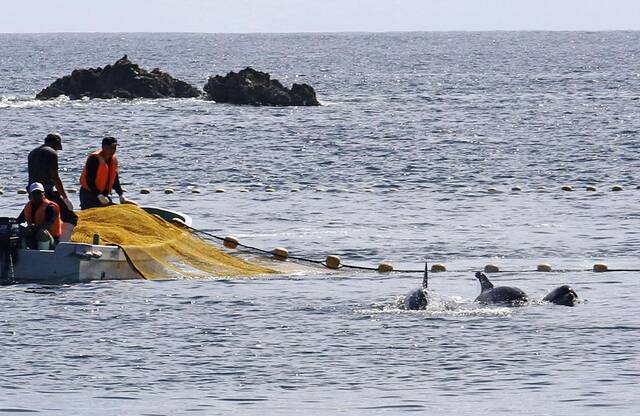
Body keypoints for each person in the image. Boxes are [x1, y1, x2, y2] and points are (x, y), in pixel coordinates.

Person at [27, 133, 78, 241]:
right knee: (71, 218)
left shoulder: (32, 153)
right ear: (56, 143)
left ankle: (43, 241)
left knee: (43, 219)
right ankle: (61, 245)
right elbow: (54, 177)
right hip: (46, 193)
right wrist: (65, 197)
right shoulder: (51, 153)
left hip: (32, 194)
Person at [79, 136, 134, 210]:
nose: (113, 150)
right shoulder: (94, 159)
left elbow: (115, 179)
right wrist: (99, 195)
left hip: (103, 195)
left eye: (115, 147)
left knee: (114, 210)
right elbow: (89, 180)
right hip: (89, 194)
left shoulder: (112, 160)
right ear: (104, 147)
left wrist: (121, 195)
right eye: (111, 147)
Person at [16, 182, 62, 250]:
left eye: (39, 193)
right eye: (34, 193)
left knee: (42, 232)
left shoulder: (51, 207)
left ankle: (42, 255)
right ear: (30, 195)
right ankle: (22, 254)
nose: (37, 196)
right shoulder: (28, 207)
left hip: (51, 241)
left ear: (43, 194)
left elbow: (49, 225)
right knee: (17, 230)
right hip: (33, 238)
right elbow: (18, 221)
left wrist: (33, 227)